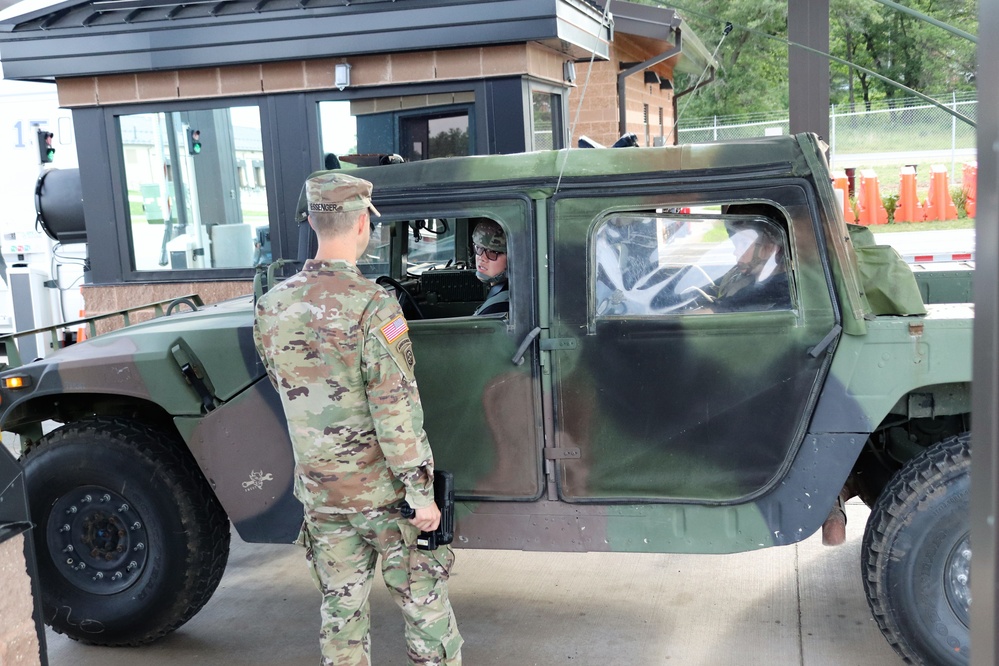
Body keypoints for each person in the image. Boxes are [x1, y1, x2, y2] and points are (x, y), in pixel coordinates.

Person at [253, 172, 463, 666]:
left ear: (310, 220)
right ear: (365, 223)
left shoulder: (270, 306)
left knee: (341, 617)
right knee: (426, 614)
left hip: (322, 496)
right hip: (385, 498)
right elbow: (395, 408)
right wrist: (420, 495)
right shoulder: (374, 305)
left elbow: (283, 386)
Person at [706, 220, 791, 312]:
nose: (736, 252)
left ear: (771, 249)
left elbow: (717, 311)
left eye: (744, 244)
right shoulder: (744, 276)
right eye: (736, 244)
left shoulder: (776, 292)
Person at [471, 219, 509, 316]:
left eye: (492, 252)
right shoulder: (501, 293)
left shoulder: (500, 307)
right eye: (479, 248)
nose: (482, 258)